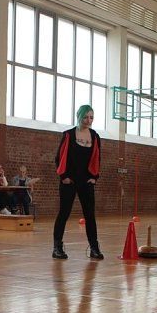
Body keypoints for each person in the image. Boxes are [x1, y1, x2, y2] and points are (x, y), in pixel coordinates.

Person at [52, 105, 102, 260]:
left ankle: (94, 248)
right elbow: (59, 157)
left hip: (87, 181)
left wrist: (94, 177)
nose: (88, 120)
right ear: (79, 116)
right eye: (85, 117)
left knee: (90, 215)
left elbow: (97, 157)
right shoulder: (68, 134)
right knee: (64, 213)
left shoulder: (95, 136)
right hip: (69, 180)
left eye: (91, 117)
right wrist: (64, 176)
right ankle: (57, 247)